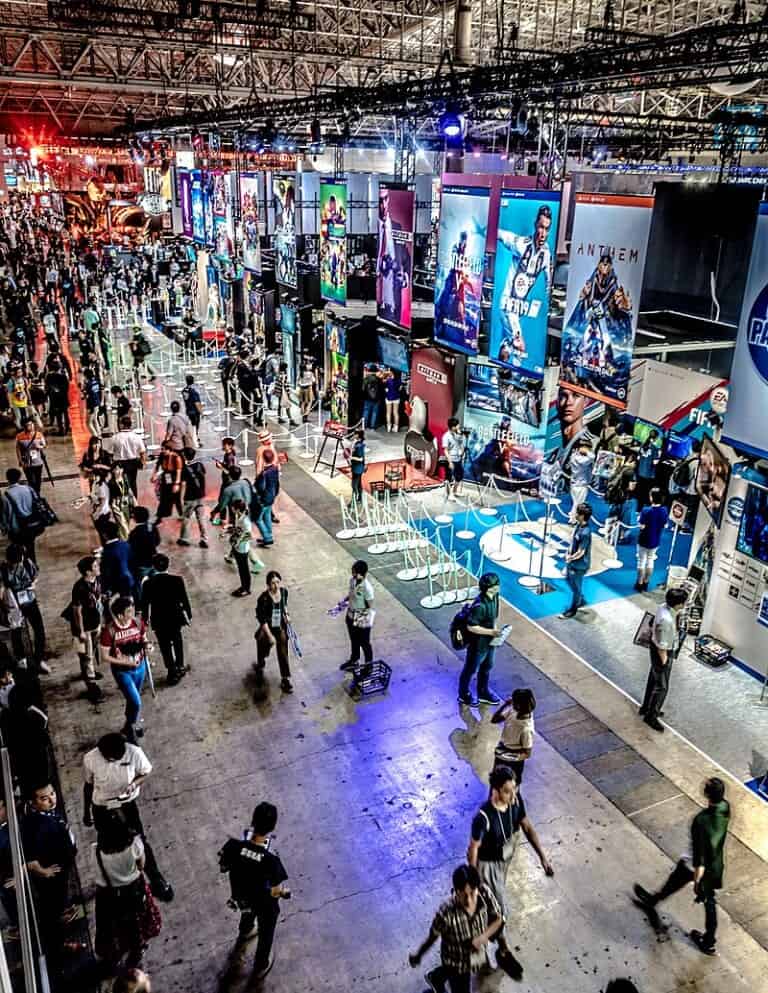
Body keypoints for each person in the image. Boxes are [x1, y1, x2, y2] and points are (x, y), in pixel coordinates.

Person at [467, 766, 553, 978]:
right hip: (488, 867)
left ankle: (485, 937)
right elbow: (473, 849)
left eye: (514, 789)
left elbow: (527, 827)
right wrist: (474, 878)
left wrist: (542, 856)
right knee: (500, 911)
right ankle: (502, 949)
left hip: (505, 861)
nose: (513, 794)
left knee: (490, 907)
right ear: (495, 791)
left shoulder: (515, 801)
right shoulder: (483, 817)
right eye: (507, 790)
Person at [633, 777, 730, 955]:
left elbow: (699, 856)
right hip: (715, 865)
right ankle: (709, 941)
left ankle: (652, 901)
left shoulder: (701, 820)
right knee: (710, 903)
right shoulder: (725, 808)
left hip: (692, 867)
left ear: (706, 794)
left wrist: (697, 881)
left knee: (672, 884)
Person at [82, 733, 173, 904]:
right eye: (110, 758)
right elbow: (88, 786)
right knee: (107, 845)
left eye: (119, 756)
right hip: (101, 807)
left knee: (139, 840)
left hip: (127, 805)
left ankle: (156, 878)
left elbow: (146, 772)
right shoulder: (90, 759)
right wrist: (86, 812)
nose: (115, 760)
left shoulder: (134, 752)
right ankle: (110, 882)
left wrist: (134, 784)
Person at [218, 801, 291, 982]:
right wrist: (283, 892)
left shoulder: (233, 845)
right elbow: (273, 889)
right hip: (263, 904)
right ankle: (260, 963)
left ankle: (245, 930)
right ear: (273, 826)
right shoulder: (271, 859)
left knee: (247, 911)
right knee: (267, 930)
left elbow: (223, 867)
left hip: (241, 897)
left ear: (253, 820)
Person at [408, 863, 504, 993]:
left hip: (475, 957)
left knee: (452, 970)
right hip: (455, 962)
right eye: (464, 895)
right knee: (457, 979)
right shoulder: (446, 913)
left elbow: (499, 919)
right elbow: (432, 938)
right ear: (456, 891)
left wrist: (483, 937)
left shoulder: (484, 893)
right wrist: (418, 955)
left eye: (472, 893)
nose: (469, 900)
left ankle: (436, 977)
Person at [93, 816, 161, 972]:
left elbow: (98, 872)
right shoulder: (135, 845)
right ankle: (136, 952)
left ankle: (112, 955)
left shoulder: (97, 850)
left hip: (107, 895)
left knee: (110, 926)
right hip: (133, 890)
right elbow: (141, 865)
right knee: (135, 924)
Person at [21, 783, 79, 953]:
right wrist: (44, 872)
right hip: (54, 877)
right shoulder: (38, 825)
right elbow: (31, 860)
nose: (52, 799)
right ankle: (60, 945)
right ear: (33, 802)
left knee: (57, 905)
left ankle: (61, 914)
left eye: (52, 793)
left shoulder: (46, 814)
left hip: (61, 868)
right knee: (52, 910)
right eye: (44, 798)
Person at [639, 586, 688, 732]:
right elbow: (662, 646)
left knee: (653, 680)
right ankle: (651, 716)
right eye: (684, 602)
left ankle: (646, 707)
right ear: (678, 603)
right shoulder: (665, 621)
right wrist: (665, 662)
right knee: (662, 686)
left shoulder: (664, 608)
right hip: (662, 653)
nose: (685, 605)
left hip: (660, 649)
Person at [101, 596, 149, 742]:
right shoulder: (109, 631)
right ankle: (133, 727)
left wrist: (148, 647)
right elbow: (105, 656)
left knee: (132, 699)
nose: (132, 614)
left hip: (140, 667)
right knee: (136, 702)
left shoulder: (137, 623)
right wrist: (123, 662)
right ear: (120, 615)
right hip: (123, 671)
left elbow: (144, 640)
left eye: (132, 609)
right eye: (129, 611)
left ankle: (128, 726)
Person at [141, 553, 191, 685]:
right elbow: (184, 600)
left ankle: (171, 670)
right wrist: (188, 616)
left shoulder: (148, 584)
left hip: (159, 620)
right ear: (168, 565)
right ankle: (180, 665)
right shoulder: (177, 580)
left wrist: (145, 620)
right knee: (177, 640)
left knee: (164, 645)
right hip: (175, 618)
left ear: (153, 567)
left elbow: (145, 605)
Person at [457, 573, 502, 707]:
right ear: (489, 587)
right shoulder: (479, 606)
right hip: (478, 644)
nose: (499, 586)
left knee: (487, 667)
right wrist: (491, 632)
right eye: (496, 584)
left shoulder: (495, 597)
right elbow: (471, 627)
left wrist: (494, 632)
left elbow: (493, 618)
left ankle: (483, 692)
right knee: (470, 669)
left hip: (489, 642)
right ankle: (463, 695)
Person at [1, 543, 47, 672]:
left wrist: (33, 584)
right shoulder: (3, 569)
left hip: (29, 601)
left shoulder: (27, 563)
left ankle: (39, 659)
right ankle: (21, 660)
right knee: (16, 631)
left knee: (39, 630)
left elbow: (35, 575)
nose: (18, 563)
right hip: (14, 605)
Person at [69, 555, 104, 694]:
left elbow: (99, 599)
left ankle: (87, 672)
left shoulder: (98, 580)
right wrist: (81, 631)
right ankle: (91, 684)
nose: (98, 567)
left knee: (92, 650)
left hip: (96, 623)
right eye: (95, 566)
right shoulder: (79, 587)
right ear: (88, 572)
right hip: (86, 627)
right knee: (88, 654)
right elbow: (77, 611)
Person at [255, 571, 293, 694]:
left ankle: (285, 678)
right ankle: (261, 663)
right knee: (262, 644)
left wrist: (286, 615)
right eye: (272, 583)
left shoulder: (283, 592)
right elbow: (262, 619)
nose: (276, 586)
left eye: (277, 582)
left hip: (279, 626)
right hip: (267, 627)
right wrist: (270, 636)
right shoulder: (263, 599)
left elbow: (284, 605)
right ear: (268, 585)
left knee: (283, 649)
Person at [490, 688, 536, 783]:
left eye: (513, 700)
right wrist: (505, 705)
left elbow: (527, 752)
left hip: (513, 759)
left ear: (518, 705)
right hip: (502, 751)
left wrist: (509, 758)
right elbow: (494, 720)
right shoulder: (513, 711)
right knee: (496, 781)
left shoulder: (526, 729)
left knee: (511, 785)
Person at [340, 560, 376, 672]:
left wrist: (360, 614)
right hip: (350, 614)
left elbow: (369, 604)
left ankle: (368, 666)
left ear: (362, 573)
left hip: (362, 615)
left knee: (364, 642)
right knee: (354, 640)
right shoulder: (352, 581)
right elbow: (351, 593)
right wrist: (344, 600)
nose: (353, 574)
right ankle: (354, 660)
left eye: (355, 572)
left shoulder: (367, 588)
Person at [559, 503, 592, 619]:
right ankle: (580, 599)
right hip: (572, 562)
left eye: (577, 512)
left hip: (579, 565)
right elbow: (573, 542)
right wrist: (568, 551)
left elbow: (581, 551)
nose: (575, 514)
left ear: (582, 515)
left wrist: (571, 557)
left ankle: (573, 610)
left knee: (576, 588)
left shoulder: (586, 532)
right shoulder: (578, 526)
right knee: (568, 579)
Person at [1, 467, 41, 563]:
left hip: (17, 529)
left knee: (18, 551)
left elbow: (5, 515)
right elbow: (37, 502)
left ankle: (23, 569)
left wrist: (4, 529)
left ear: (7, 479)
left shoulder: (6, 496)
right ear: (19, 477)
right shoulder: (28, 489)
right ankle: (33, 566)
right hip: (31, 525)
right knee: (31, 548)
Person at [635, 487, 670, 592]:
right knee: (650, 560)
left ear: (651, 498)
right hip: (655, 540)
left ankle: (639, 583)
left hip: (644, 539)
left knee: (641, 561)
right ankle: (646, 582)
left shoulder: (646, 510)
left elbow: (642, 526)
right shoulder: (664, 510)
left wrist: (639, 521)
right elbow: (664, 525)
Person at [178, 447, 208, 548]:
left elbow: (183, 485)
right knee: (201, 518)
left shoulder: (184, 469)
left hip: (190, 497)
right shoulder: (200, 465)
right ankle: (204, 539)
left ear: (185, 456)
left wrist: (181, 498)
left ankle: (184, 538)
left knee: (186, 518)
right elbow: (203, 476)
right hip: (201, 496)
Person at [111, 417, 147, 498]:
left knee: (120, 482)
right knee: (133, 482)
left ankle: (123, 501)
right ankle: (134, 501)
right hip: (133, 463)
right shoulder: (136, 437)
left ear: (122, 425)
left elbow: (110, 452)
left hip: (119, 464)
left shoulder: (115, 437)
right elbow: (142, 451)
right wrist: (143, 463)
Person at [128, 507, 160, 596]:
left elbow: (131, 548)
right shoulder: (152, 527)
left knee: (138, 583)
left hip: (141, 563)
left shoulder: (134, 532)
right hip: (153, 560)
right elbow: (157, 541)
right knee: (155, 580)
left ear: (135, 518)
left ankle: (141, 601)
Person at [100, 520, 134, 598]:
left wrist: (105, 590)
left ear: (105, 535)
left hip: (117, 585)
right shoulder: (126, 545)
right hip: (130, 581)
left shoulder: (107, 552)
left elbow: (106, 573)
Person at [153, 441, 184, 525]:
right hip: (166, 477)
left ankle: (182, 515)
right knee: (163, 498)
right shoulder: (162, 456)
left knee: (177, 499)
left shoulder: (176, 458)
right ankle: (159, 517)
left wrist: (176, 484)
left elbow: (178, 472)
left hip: (174, 478)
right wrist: (154, 475)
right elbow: (157, 466)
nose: (162, 451)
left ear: (169, 450)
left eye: (164, 449)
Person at [228, 498, 253, 598]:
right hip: (237, 547)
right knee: (241, 569)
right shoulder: (239, 516)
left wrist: (237, 542)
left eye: (233, 508)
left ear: (237, 509)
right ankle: (244, 587)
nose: (232, 509)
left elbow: (248, 535)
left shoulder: (245, 522)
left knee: (244, 570)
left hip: (242, 549)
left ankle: (246, 588)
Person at [211, 436, 238, 526]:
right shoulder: (227, 455)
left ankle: (227, 520)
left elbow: (229, 471)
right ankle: (225, 520)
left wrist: (221, 467)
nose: (223, 446)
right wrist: (222, 464)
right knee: (225, 501)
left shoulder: (230, 457)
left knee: (225, 501)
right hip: (227, 482)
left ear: (230, 446)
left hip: (228, 482)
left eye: (224, 445)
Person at [15, 416, 46, 493]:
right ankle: (33, 493)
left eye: (31, 424)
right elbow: (18, 449)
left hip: (38, 461)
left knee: (38, 480)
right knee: (30, 480)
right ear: (24, 426)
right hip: (26, 462)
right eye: (28, 425)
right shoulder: (19, 436)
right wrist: (20, 460)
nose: (31, 427)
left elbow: (44, 445)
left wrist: (40, 446)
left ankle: (37, 494)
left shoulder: (39, 434)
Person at [568, 439, 595, 524]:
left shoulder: (573, 455)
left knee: (576, 502)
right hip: (581, 485)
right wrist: (587, 452)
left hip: (574, 483)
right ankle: (573, 519)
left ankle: (572, 516)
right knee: (578, 504)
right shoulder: (583, 460)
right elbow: (592, 457)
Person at [442, 418, 466, 502]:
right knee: (449, 478)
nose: (459, 426)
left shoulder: (457, 435)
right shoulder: (446, 436)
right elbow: (445, 450)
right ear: (452, 427)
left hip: (458, 459)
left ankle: (455, 491)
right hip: (450, 459)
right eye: (457, 425)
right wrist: (450, 462)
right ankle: (449, 494)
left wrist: (461, 436)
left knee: (460, 475)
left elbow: (462, 444)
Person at [110, 463, 136, 541]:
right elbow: (111, 498)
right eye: (116, 469)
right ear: (113, 471)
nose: (118, 471)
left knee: (127, 522)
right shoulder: (111, 483)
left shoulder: (125, 478)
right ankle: (126, 541)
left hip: (126, 503)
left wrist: (134, 502)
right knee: (122, 524)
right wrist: (114, 507)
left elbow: (130, 491)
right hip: (117, 505)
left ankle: (122, 539)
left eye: (119, 469)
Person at [636, 429, 660, 508]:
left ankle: (638, 507)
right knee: (645, 492)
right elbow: (655, 463)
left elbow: (638, 458)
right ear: (656, 438)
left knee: (639, 491)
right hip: (648, 474)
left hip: (640, 472)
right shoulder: (654, 448)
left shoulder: (643, 444)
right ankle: (642, 509)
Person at [181, 374, 203, 445]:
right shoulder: (194, 391)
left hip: (188, 410)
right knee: (195, 426)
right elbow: (197, 403)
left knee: (192, 425)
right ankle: (195, 440)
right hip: (194, 411)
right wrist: (201, 412)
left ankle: (194, 438)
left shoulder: (184, 390)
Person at [348, 429, 366, 505]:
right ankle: (360, 498)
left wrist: (351, 457)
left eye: (355, 433)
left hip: (358, 468)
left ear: (358, 435)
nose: (354, 435)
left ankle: (354, 500)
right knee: (358, 484)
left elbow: (361, 458)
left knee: (354, 484)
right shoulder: (357, 443)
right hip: (355, 466)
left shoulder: (359, 446)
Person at [362, 365, 382, 429]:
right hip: (376, 399)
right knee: (374, 412)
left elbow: (363, 389)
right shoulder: (379, 379)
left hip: (367, 398)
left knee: (366, 411)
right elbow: (381, 390)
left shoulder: (366, 379)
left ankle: (364, 426)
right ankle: (372, 426)